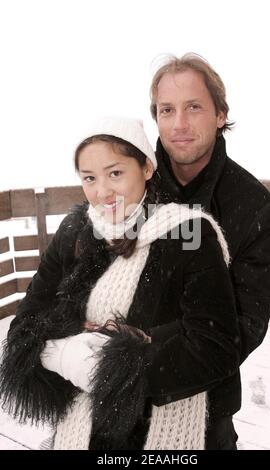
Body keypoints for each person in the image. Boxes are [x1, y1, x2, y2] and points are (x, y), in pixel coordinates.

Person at [0, 116, 240, 450]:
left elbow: (215, 345)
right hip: (80, 428)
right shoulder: (74, 231)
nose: (102, 192)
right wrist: (63, 354)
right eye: (89, 178)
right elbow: (26, 321)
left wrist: (112, 367)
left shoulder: (189, 235)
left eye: (115, 173)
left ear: (145, 168)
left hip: (154, 430)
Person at [149, 53, 270, 449]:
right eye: (166, 110)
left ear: (220, 114)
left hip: (206, 404)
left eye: (193, 107)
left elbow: (243, 327)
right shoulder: (132, 188)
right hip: (118, 406)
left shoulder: (254, 207)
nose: (179, 124)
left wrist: (136, 362)